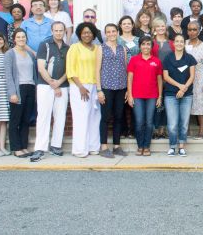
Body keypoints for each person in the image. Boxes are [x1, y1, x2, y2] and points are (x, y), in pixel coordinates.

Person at [30, 22, 69, 162]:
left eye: (61, 30)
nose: (58, 33)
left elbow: (69, 70)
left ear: (65, 31)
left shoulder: (68, 48)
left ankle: (56, 145)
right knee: (44, 116)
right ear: (52, 31)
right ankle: (40, 148)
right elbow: (41, 68)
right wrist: (53, 84)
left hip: (63, 85)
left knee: (60, 116)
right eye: (56, 30)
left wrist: (58, 83)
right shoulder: (44, 45)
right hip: (45, 85)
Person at [66, 23, 102, 158]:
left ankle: (93, 146)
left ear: (93, 34)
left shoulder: (97, 48)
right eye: (84, 33)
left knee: (94, 116)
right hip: (79, 86)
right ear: (79, 34)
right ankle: (80, 149)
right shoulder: (74, 48)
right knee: (81, 117)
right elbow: (70, 69)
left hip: (95, 85)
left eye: (89, 32)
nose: (87, 35)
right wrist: (80, 86)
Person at [96, 24, 130, 159]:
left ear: (117, 32)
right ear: (105, 34)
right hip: (106, 87)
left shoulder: (123, 49)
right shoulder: (101, 48)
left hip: (121, 88)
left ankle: (117, 146)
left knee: (118, 117)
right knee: (105, 117)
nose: (111, 34)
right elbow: (97, 70)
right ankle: (103, 147)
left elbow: (126, 70)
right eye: (108, 32)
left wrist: (128, 89)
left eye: (113, 31)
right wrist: (99, 90)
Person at [126, 36, 163, 156]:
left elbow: (159, 80)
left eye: (148, 44)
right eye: (143, 44)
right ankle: (140, 146)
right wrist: (130, 95)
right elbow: (130, 78)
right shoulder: (134, 60)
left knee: (149, 122)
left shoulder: (156, 61)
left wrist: (160, 96)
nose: (146, 46)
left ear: (151, 46)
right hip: (137, 96)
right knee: (139, 121)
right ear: (140, 46)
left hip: (152, 96)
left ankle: (146, 146)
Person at [162, 34, 197, 157]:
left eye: (181, 41)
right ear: (174, 43)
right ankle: (172, 146)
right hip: (171, 95)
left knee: (184, 123)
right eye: (177, 41)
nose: (179, 43)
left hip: (187, 95)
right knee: (172, 124)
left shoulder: (190, 58)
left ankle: (181, 146)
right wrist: (180, 86)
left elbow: (192, 76)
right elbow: (166, 77)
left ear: (184, 43)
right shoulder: (167, 58)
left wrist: (184, 89)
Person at [5, 29, 37, 158]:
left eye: (23, 37)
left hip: (30, 87)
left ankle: (24, 146)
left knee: (25, 120)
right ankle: (16, 147)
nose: (21, 39)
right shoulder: (10, 54)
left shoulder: (29, 54)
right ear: (14, 39)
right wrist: (12, 93)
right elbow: (8, 75)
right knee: (15, 120)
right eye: (18, 37)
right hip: (18, 89)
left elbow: (34, 74)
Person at [185, 21, 203, 140]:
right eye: (190, 30)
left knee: (200, 103)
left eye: (194, 29)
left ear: (199, 30)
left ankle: (202, 130)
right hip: (184, 79)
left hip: (199, 78)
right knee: (186, 103)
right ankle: (186, 129)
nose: (192, 32)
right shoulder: (184, 43)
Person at [151, 17, 173, 139]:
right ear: (154, 29)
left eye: (162, 26)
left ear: (165, 28)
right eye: (158, 26)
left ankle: (163, 129)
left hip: (169, 78)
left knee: (166, 103)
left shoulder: (171, 43)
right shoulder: (150, 42)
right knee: (155, 104)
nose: (160, 28)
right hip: (153, 77)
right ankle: (155, 129)